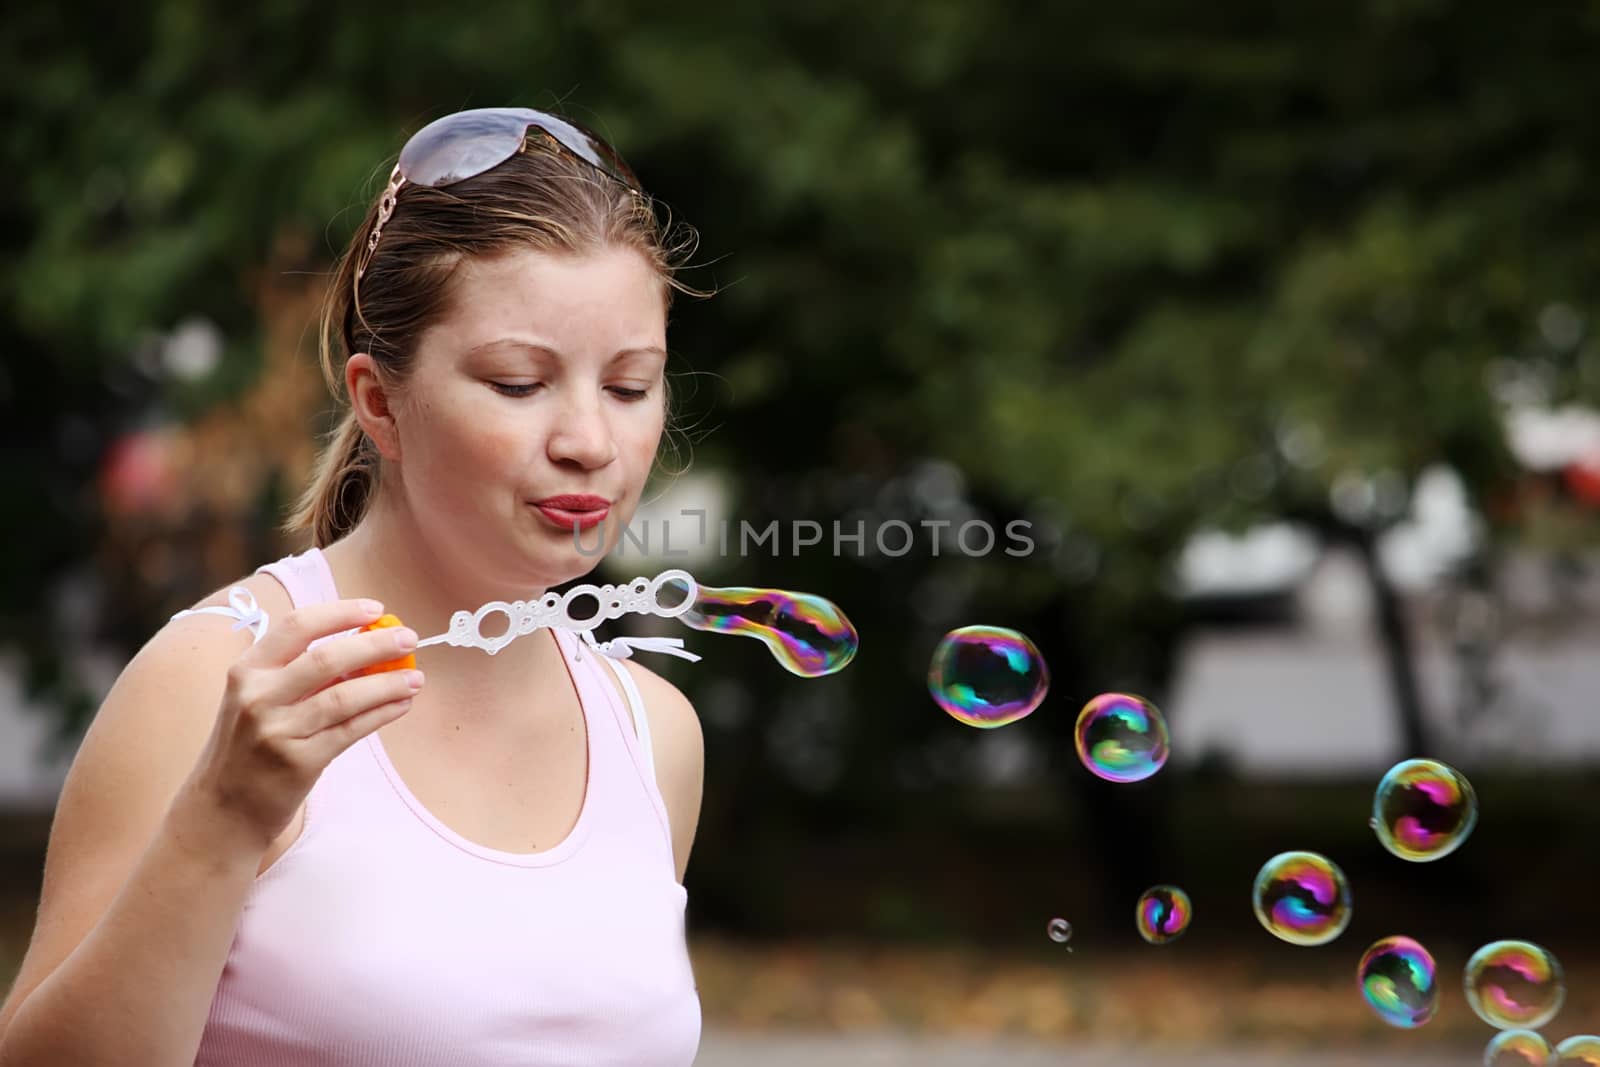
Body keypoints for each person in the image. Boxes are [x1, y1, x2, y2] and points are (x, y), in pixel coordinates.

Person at [0, 107, 707, 1066]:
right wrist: (222, 814)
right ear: (380, 401)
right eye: (516, 383)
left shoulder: (651, 731)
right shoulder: (221, 678)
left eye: (629, 386)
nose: (590, 439)